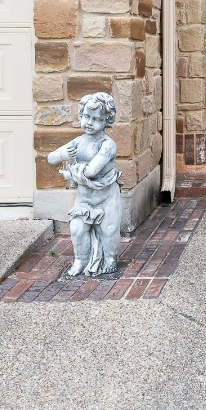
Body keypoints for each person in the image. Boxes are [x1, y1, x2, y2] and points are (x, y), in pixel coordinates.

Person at [47, 92, 123, 277]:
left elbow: (91, 171)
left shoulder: (107, 145)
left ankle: (111, 258)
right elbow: (51, 158)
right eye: (87, 116)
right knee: (77, 228)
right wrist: (62, 155)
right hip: (85, 199)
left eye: (97, 119)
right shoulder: (78, 142)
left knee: (109, 230)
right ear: (81, 115)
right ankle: (81, 260)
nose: (90, 122)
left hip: (106, 197)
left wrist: (71, 172)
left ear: (107, 120)